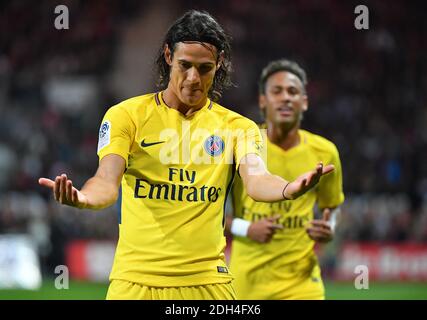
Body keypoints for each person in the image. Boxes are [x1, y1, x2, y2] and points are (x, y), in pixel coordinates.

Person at [38, 11, 334, 300]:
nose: (193, 78)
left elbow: (257, 180)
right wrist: (84, 198)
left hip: (207, 284)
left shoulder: (238, 128)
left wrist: (288, 188)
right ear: (168, 56)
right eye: (185, 65)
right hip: (135, 282)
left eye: (204, 68)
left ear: (219, 65)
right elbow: (106, 180)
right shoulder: (126, 116)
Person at [226, 59, 345, 300]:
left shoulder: (325, 151)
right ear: (263, 100)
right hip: (247, 283)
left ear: (304, 102)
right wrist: (247, 228)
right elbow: (208, 212)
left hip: (302, 282)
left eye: (293, 92)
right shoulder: (241, 144)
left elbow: (332, 207)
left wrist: (329, 227)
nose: (286, 98)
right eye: (277, 91)